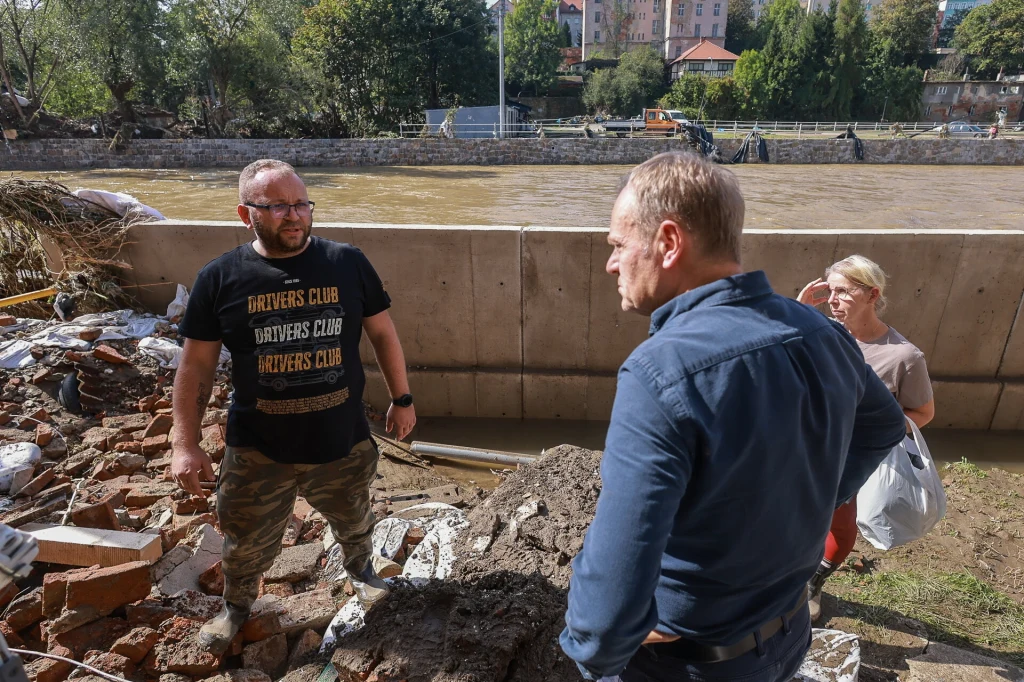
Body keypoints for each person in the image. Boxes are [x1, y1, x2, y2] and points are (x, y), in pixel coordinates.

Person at [559, 152, 907, 682]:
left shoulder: (660, 372)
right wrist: (809, 502)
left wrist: (593, 652)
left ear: (669, 243)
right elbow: (883, 426)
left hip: (689, 664)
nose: (611, 263)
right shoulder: (825, 334)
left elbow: (608, 608)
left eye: (617, 244)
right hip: (786, 635)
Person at [170, 159, 417, 655]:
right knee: (244, 541)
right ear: (246, 213)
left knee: (354, 519)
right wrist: (184, 441)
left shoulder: (348, 263)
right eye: (277, 205)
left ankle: (362, 573)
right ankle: (236, 607)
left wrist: (402, 397)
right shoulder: (219, 278)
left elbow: (382, 332)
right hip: (259, 451)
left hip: (341, 443)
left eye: (301, 203)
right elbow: (195, 366)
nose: (294, 215)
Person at [797, 256, 935, 621]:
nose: (833, 300)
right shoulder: (821, 332)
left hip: (851, 457)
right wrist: (799, 315)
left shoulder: (903, 356)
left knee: (838, 522)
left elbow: (923, 414)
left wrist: (874, 430)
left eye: (843, 291)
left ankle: (813, 582)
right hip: (805, 444)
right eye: (830, 291)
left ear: (873, 294)